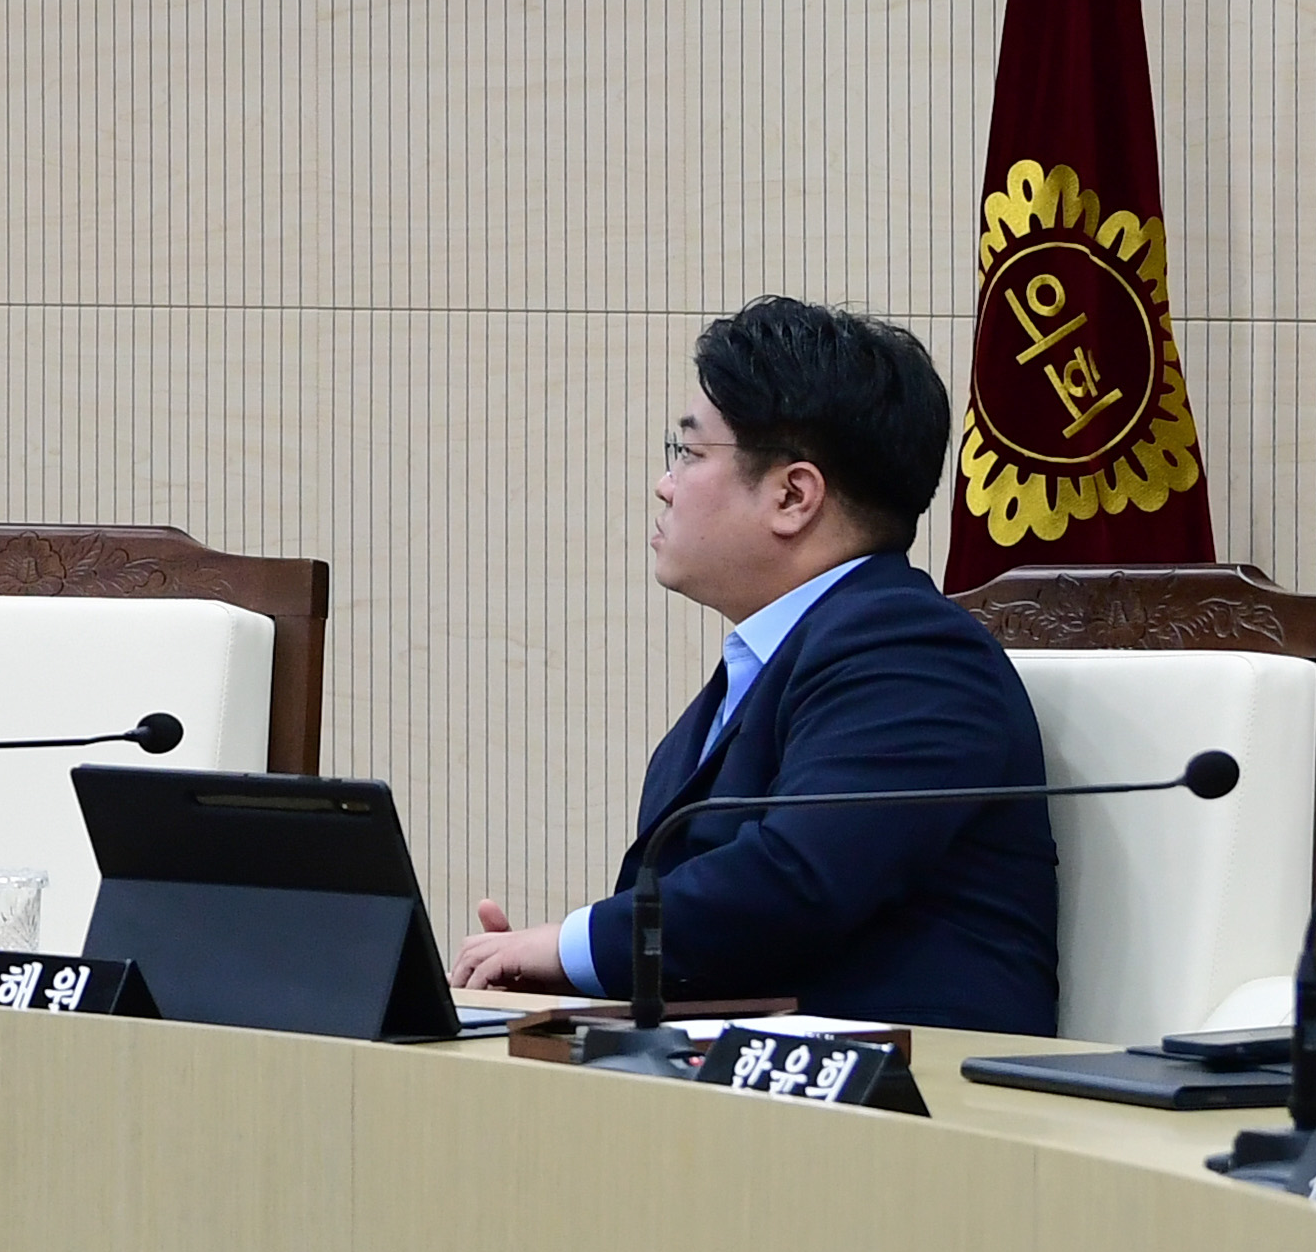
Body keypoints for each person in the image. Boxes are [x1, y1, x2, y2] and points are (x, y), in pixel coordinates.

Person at [453, 296, 1060, 1033]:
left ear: (793, 495)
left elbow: (795, 881)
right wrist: (562, 982)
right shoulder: (765, 668)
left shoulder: (916, 655)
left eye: (689, 453)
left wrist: (575, 945)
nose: (664, 483)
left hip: (910, 1102)